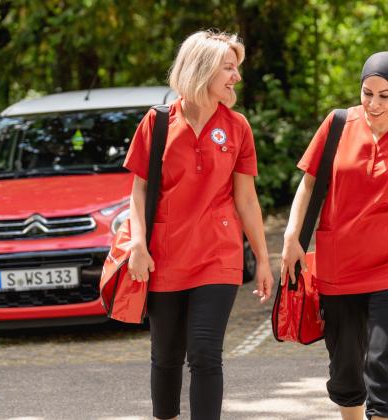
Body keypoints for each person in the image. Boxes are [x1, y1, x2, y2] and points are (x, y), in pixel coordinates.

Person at [281, 51, 388, 420]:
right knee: (345, 369)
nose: (373, 103)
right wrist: (292, 237)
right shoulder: (337, 125)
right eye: (367, 92)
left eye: (384, 95)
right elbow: (309, 186)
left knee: (385, 359)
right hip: (339, 266)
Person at [123, 30, 274, 420]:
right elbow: (138, 192)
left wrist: (262, 258)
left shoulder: (238, 127)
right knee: (167, 356)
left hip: (217, 256)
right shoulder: (156, 124)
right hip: (165, 256)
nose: (236, 77)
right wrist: (138, 244)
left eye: (236, 68)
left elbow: (246, 199)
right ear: (202, 68)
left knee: (205, 353)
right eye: (228, 68)